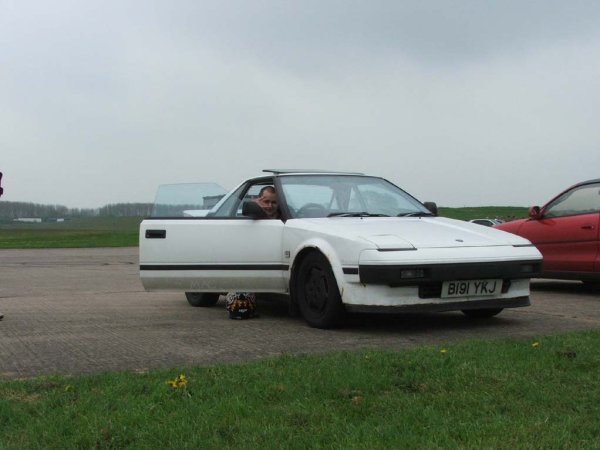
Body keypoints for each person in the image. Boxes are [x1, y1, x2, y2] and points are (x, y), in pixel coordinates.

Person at [226, 185, 279, 319]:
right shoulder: (253, 215)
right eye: (266, 202)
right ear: (258, 201)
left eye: (274, 202)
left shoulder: (285, 217)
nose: (270, 206)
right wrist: (255, 206)